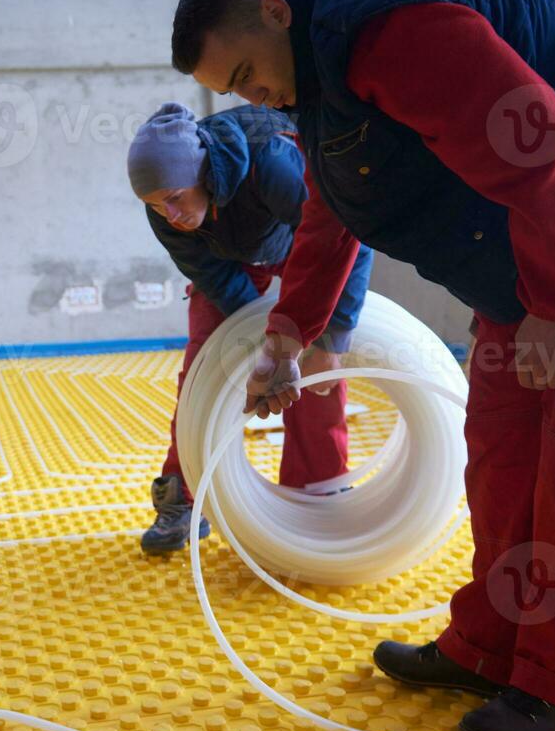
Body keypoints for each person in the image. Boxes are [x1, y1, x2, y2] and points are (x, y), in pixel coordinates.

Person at [169, 0, 555, 731]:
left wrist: (553, 307)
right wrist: (286, 333)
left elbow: (550, 151)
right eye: (233, 92)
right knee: (502, 441)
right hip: (543, 231)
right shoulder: (316, 82)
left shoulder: (391, 30)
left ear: (273, 12)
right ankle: (491, 646)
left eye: (246, 74)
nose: (252, 97)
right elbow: (333, 213)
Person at [129, 102, 373, 553]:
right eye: (155, 205)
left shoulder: (271, 161)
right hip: (230, 262)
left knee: (316, 361)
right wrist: (257, 339)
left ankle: (318, 488)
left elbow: (346, 235)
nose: (170, 214)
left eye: (176, 198)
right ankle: (183, 498)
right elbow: (215, 278)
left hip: (301, 241)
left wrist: (331, 337)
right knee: (204, 370)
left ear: (201, 172)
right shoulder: (164, 208)